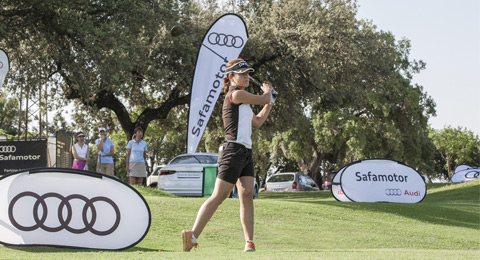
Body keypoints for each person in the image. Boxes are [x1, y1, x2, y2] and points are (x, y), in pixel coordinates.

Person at [182, 59, 274, 252]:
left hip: (245, 152)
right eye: (242, 74)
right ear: (231, 77)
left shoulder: (244, 102)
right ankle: (192, 235)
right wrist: (268, 91)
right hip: (232, 151)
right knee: (219, 196)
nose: (247, 77)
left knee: (247, 195)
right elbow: (263, 98)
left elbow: (257, 122)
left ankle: (249, 242)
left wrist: (270, 102)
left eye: (248, 73)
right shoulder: (236, 94)